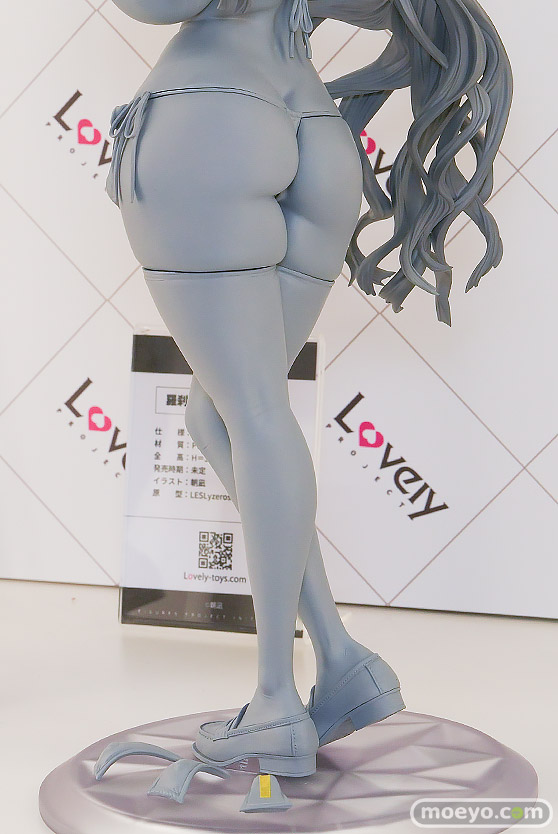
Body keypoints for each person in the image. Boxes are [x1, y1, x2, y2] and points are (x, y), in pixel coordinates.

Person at [106, 0, 512, 777]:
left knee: (252, 411)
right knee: (220, 416)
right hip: (318, 131)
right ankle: (342, 659)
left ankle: (274, 703)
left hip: (211, 119)